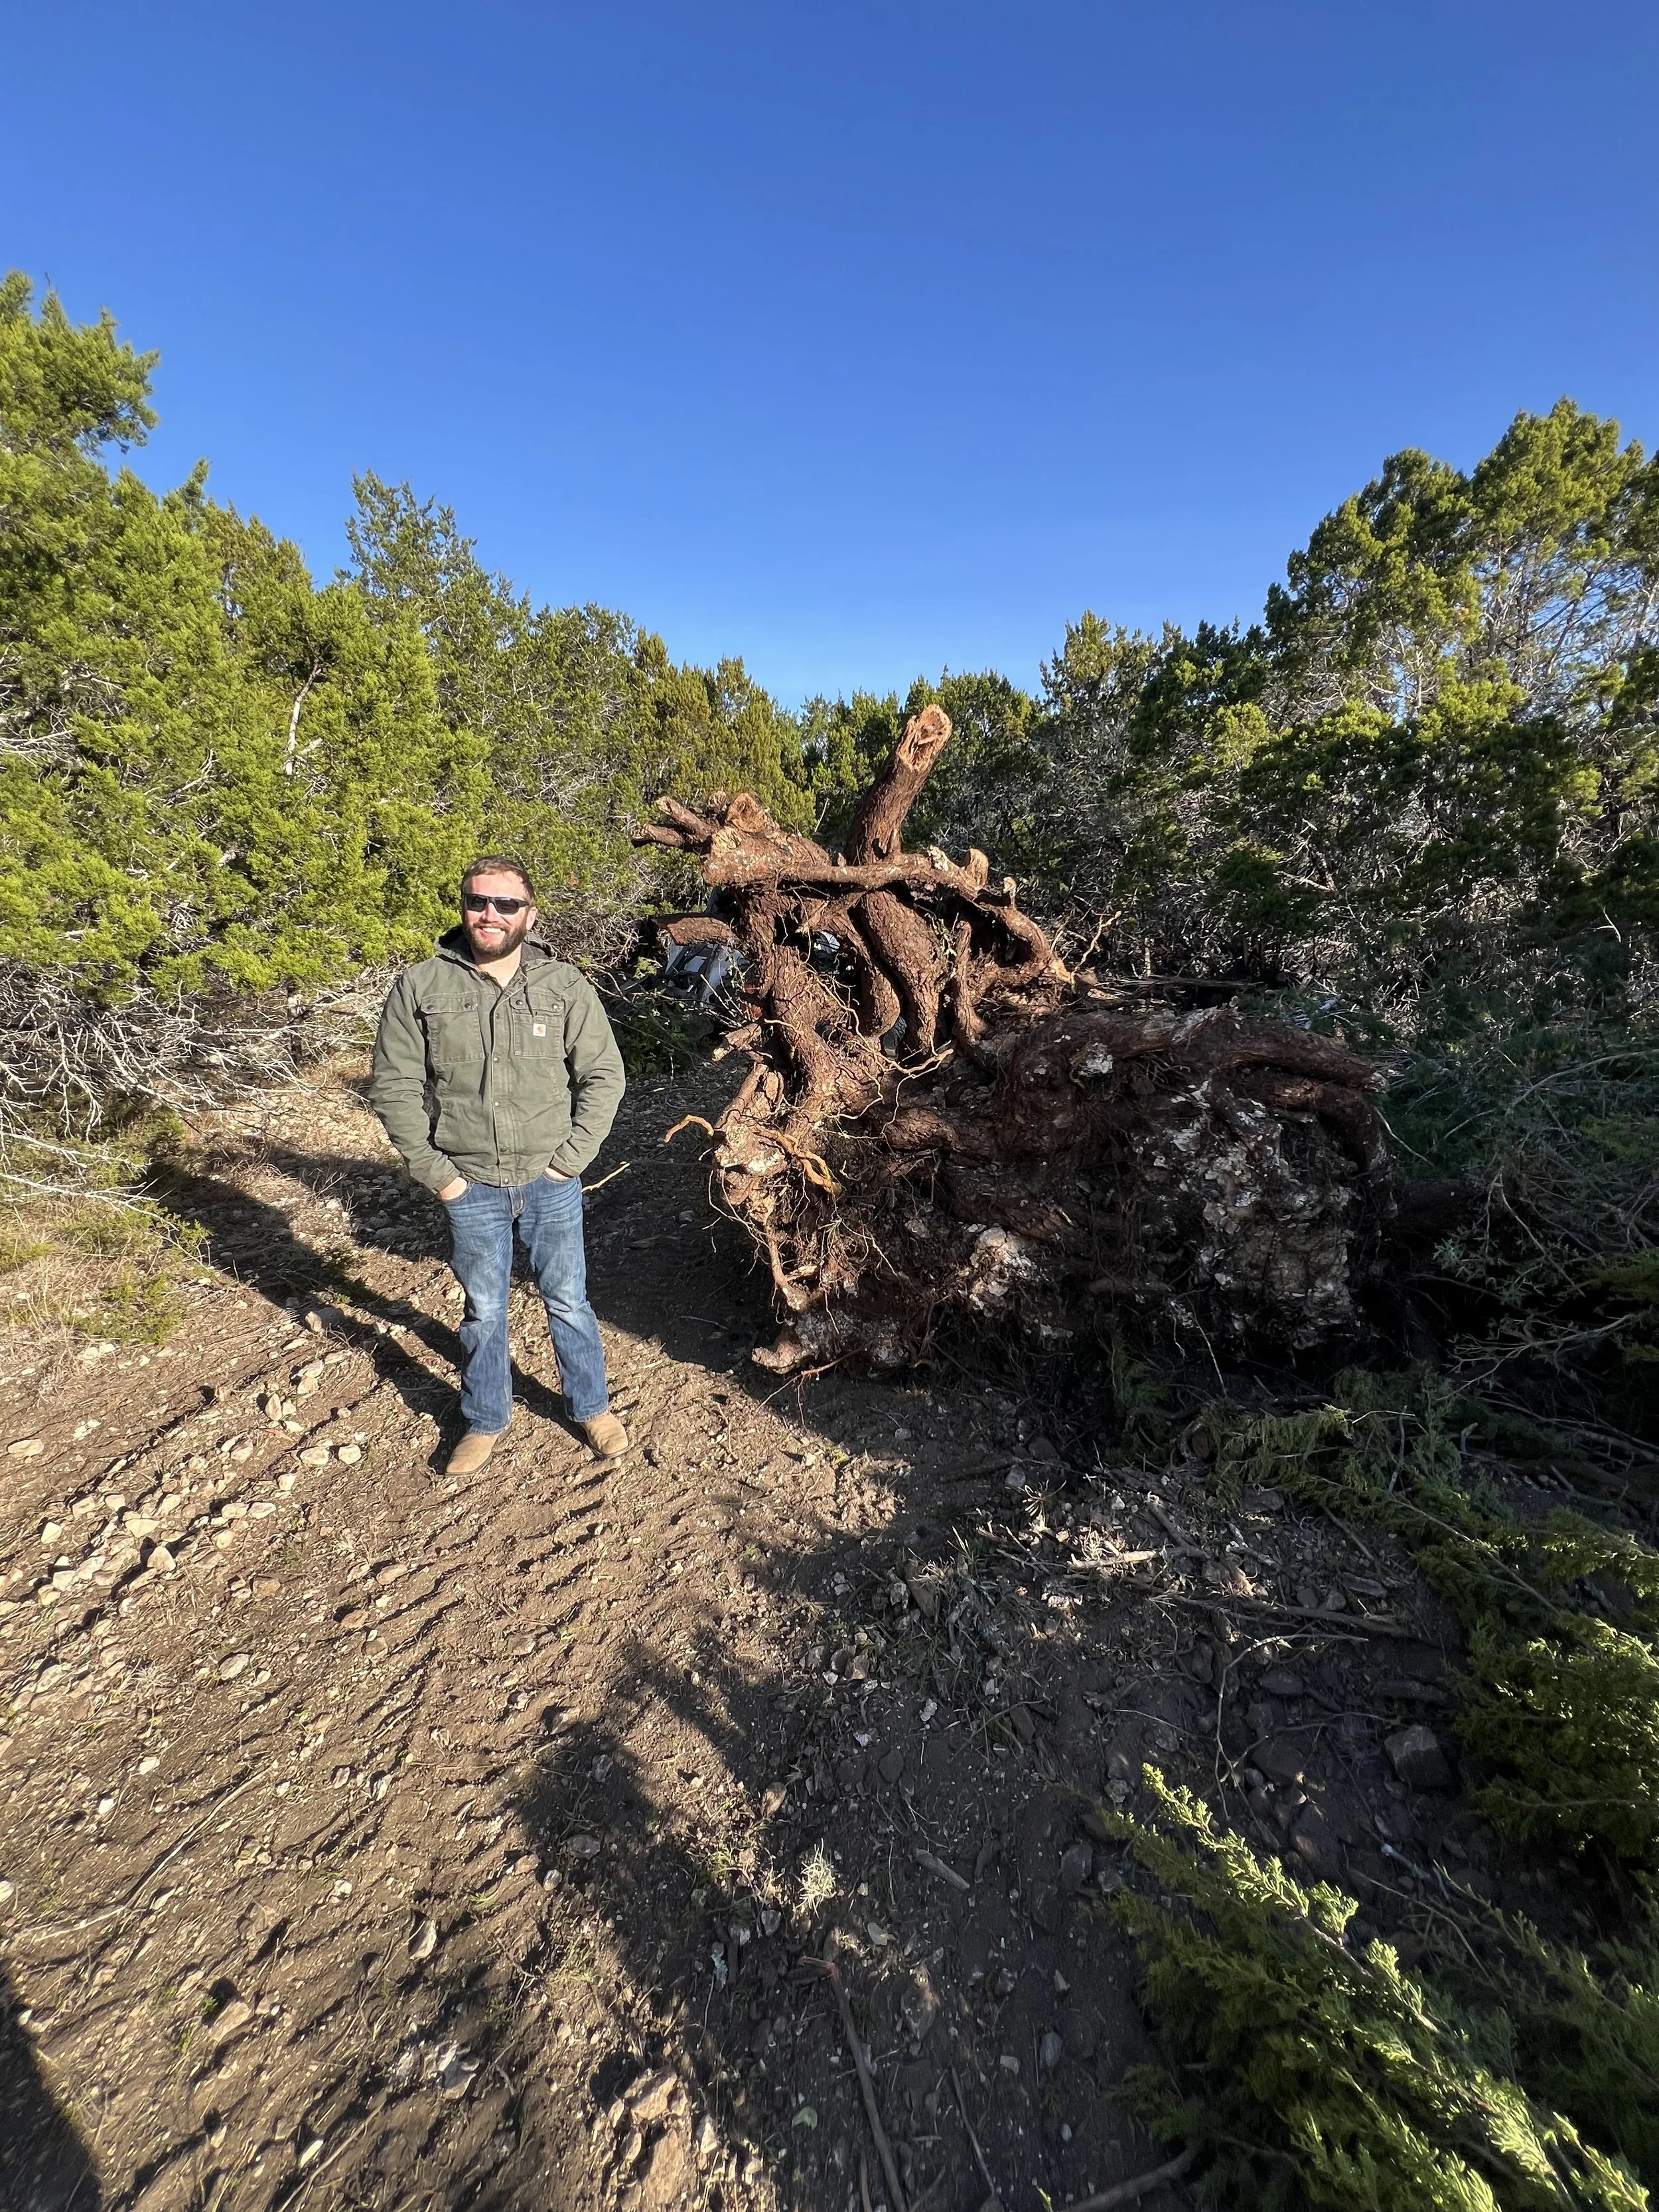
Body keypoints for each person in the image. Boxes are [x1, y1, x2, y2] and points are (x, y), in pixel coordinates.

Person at [368, 856, 629, 1474]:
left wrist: (569, 1162)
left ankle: (590, 1407)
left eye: (506, 904)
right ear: (463, 906)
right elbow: (393, 1086)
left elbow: (604, 1075)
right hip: (470, 1183)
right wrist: (441, 1177)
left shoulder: (563, 985)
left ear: (529, 915)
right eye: (478, 901)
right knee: (485, 1308)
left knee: (568, 1299)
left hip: (550, 1180)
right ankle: (485, 1418)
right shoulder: (422, 986)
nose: (490, 914)